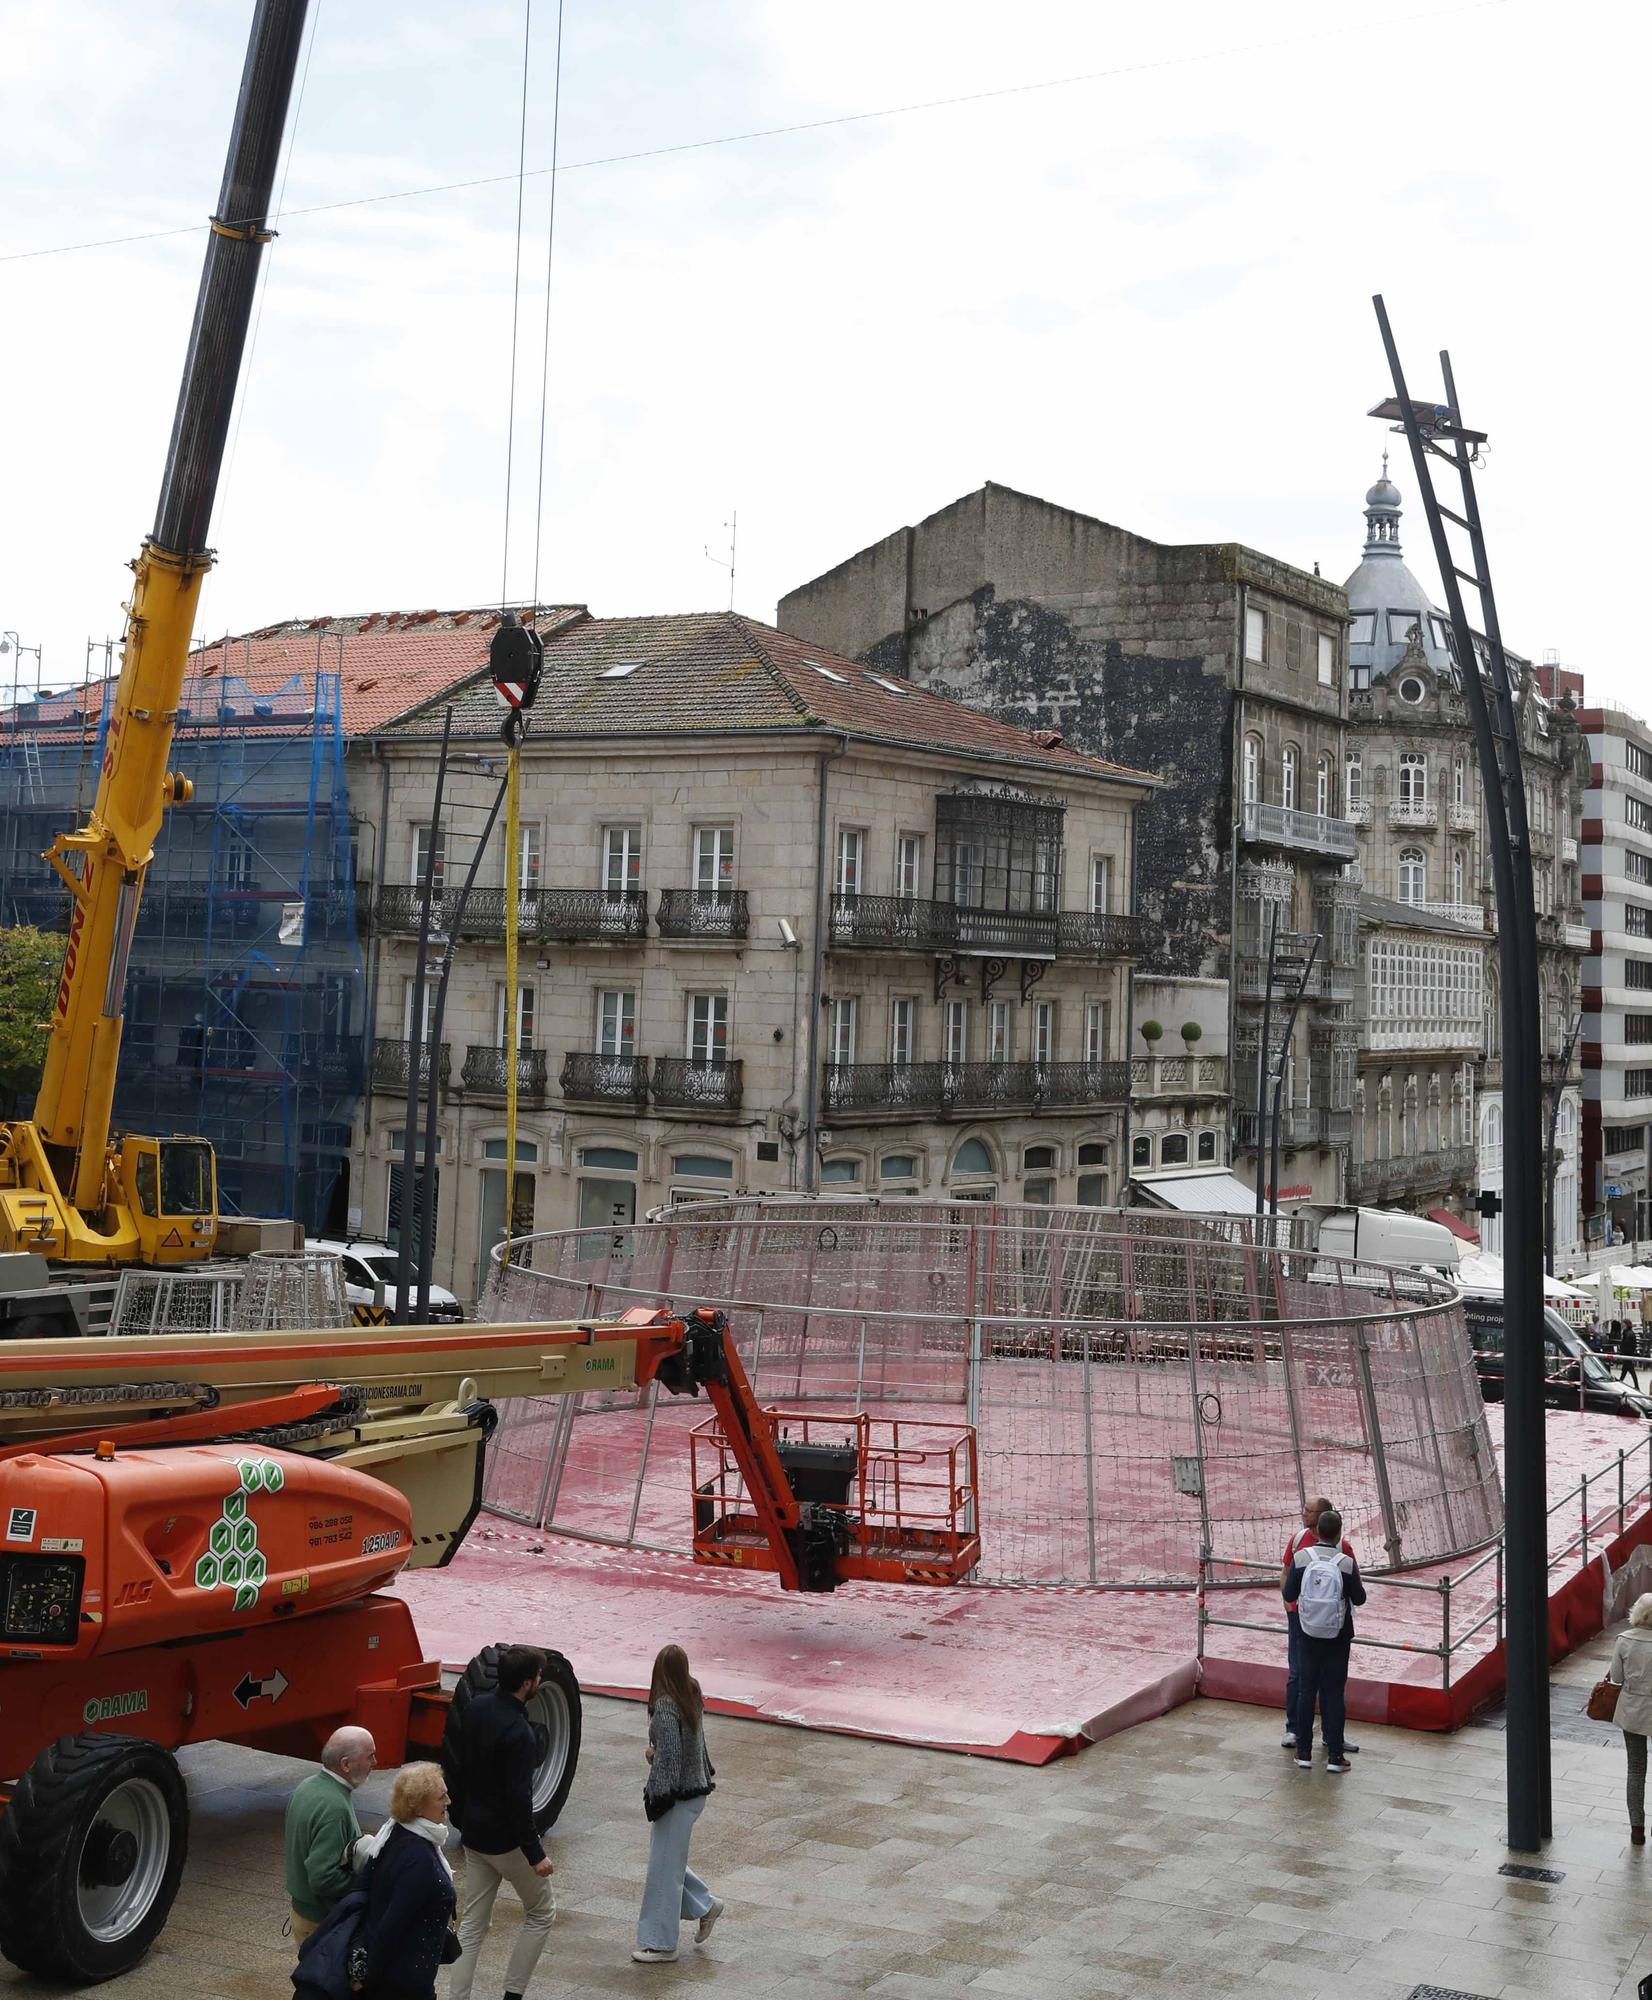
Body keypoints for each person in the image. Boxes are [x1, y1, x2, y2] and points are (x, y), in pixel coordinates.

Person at [448, 1647, 556, 2000]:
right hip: (508, 1843)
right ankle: (513, 1994)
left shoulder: (477, 1708)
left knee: (472, 1925)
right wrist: (536, 1854)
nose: (539, 1680)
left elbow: (459, 1767)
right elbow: (519, 1801)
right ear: (527, 1683)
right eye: (538, 1676)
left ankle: (457, 1996)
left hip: (474, 1834)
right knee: (541, 1912)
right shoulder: (520, 1734)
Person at [634, 1644, 723, 1965]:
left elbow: (669, 1755)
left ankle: (661, 1945)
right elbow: (693, 1745)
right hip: (694, 1790)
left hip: (677, 1794)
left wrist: (655, 1793)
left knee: (663, 1870)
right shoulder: (691, 1693)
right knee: (667, 1861)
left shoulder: (666, 1706)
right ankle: (705, 1906)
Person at [355, 1762, 458, 2000]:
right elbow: (391, 1926)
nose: (449, 1801)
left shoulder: (393, 1833)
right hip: (405, 1984)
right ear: (418, 1806)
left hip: (402, 1978)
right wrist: (367, 1977)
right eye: (441, 1797)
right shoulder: (419, 1859)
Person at [1283, 1507, 1366, 1774]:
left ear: (1316, 1530)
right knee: (1334, 1692)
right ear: (1339, 1533)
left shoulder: (1301, 1557)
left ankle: (1303, 1752)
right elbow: (1360, 1598)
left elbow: (1289, 1591)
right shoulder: (1345, 1563)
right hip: (1338, 1635)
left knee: (1306, 1691)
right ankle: (1334, 1756)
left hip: (1307, 1633)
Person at [285, 1725, 377, 1949]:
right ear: (345, 1764)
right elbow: (323, 1877)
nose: (375, 1763)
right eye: (370, 1756)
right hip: (322, 1921)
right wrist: (368, 1883)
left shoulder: (307, 1787)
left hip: (303, 1913)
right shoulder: (334, 1806)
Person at [1607, 1592, 1652, 1845]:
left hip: (1632, 1710)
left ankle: (1637, 1829)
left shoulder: (1624, 1640)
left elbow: (1616, 1678)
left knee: (1636, 1768)